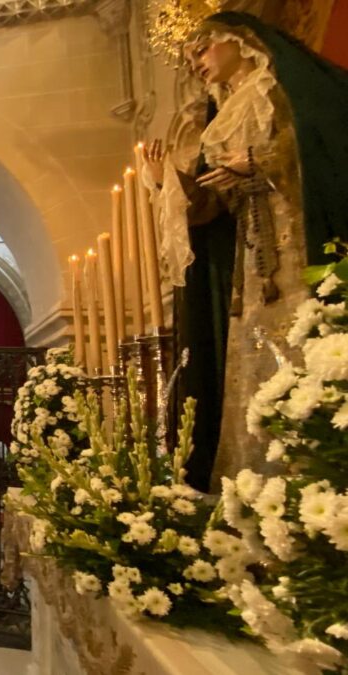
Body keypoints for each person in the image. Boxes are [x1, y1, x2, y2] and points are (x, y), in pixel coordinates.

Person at [146, 11, 348, 488]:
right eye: (189, 58)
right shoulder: (221, 115)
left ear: (239, 40)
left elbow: (322, 144)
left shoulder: (277, 90)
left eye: (202, 49)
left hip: (297, 239)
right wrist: (169, 182)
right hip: (249, 261)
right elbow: (210, 208)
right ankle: (258, 483)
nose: (196, 62)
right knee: (254, 354)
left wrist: (260, 159)